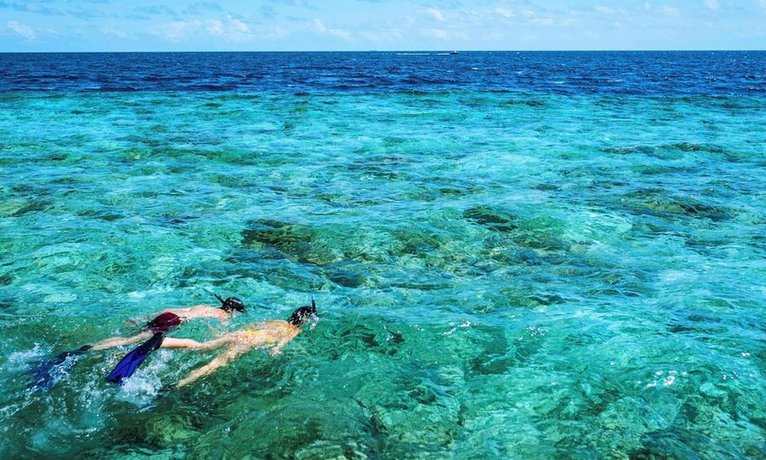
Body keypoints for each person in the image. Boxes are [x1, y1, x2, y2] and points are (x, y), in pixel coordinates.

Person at [160, 299, 317, 387]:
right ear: (305, 319)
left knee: (203, 346)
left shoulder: (278, 321)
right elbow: (282, 342)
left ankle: (164, 343)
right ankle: (178, 385)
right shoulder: (295, 330)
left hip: (241, 334)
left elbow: (254, 326)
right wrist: (276, 349)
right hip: (249, 342)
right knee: (213, 365)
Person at [92, 295, 245, 351]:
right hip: (173, 321)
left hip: (167, 316)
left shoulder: (204, 306)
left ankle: (97, 346)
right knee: (131, 341)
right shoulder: (224, 316)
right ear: (232, 310)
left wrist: (141, 318)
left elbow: (168, 309)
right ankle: (93, 348)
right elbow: (216, 332)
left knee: (131, 338)